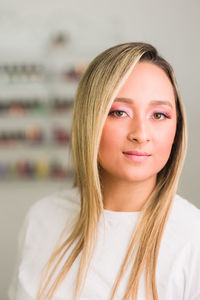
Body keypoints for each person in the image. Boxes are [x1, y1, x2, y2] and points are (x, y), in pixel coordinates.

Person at [9, 42, 200, 300]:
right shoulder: (42, 217)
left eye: (158, 115)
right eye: (119, 112)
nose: (140, 135)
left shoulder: (193, 238)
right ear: (90, 120)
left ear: (177, 127)